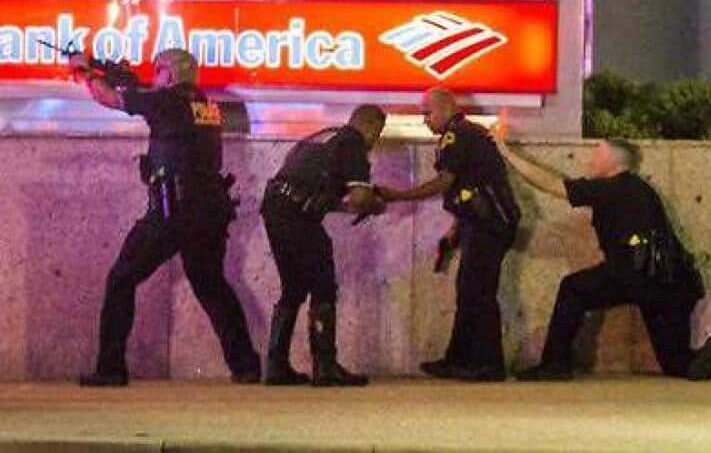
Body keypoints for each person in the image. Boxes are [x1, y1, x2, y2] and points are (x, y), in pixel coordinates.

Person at [72, 49, 260, 387]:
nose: (154, 78)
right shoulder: (203, 104)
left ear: (169, 75)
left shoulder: (165, 101)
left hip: (175, 209)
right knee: (212, 285)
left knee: (121, 279)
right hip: (210, 210)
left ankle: (110, 368)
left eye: (158, 72)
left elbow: (109, 98)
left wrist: (85, 72)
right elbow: (153, 102)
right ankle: (246, 366)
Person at [497, 137, 711, 381]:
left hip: (634, 273)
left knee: (572, 288)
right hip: (672, 280)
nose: (591, 160)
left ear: (613, 161)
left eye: (598, 154)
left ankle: (555, 364)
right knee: (676, 363)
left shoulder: (610, 187)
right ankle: (707, 351)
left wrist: (508, 155)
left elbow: (553, 185)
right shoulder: (641, 188)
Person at [377, 88, 520, 382]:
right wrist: (456, 230)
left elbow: (445, 182)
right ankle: (459, 360)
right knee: (469, 290)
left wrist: (398, 196)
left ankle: (488, 365)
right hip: (481, 222)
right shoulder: (467, 133)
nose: (424, 121)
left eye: (427, 113)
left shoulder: (457, 135)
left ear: (445, 109)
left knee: (477, 291)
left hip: (489, 225)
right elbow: (467, 186)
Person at [260, 105, 389, 387]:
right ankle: (325, 366)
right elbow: (359, 198)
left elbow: (317, 195)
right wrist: (375, 204)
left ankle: (275, 366)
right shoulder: (353, 144)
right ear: (371, 127)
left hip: (275, 206)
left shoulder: (325, 136)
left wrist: (351, 204)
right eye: (377, 134)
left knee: (293, 287)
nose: (374, 142)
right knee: (323, 286)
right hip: (298, 215)